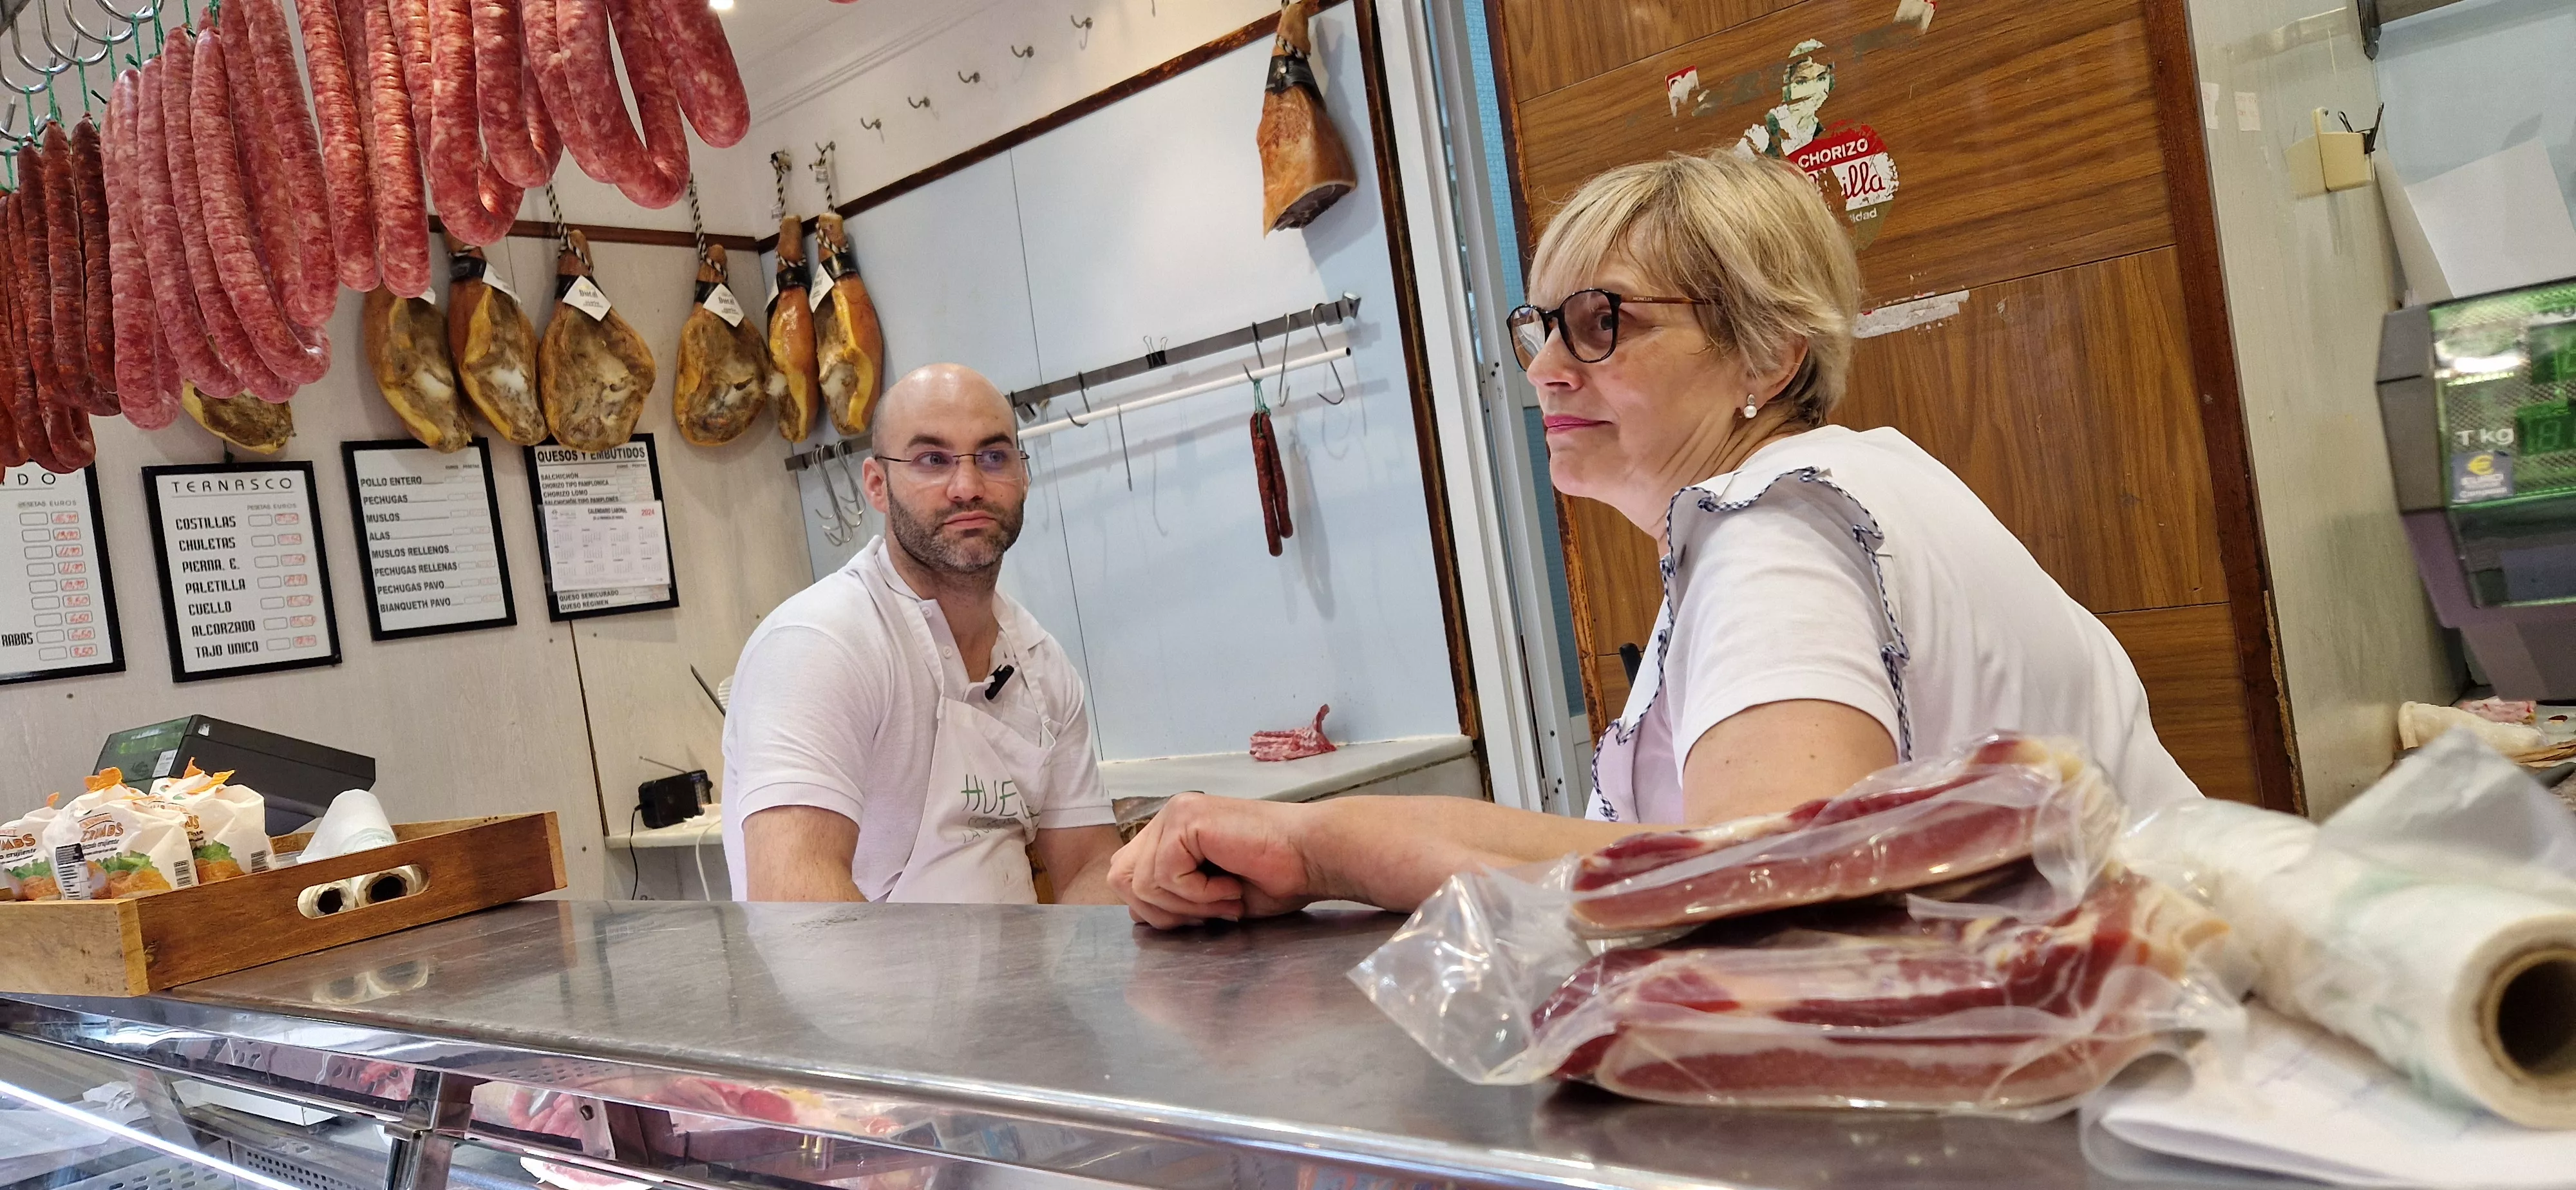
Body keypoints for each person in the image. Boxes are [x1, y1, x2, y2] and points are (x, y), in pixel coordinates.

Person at [1110, 150, 2199, 928]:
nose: (1543, 371)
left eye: (1603, 322)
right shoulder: (1858, 478)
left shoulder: (1773, 530)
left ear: (1768, 353)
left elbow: (1763, 877)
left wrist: (1322, 845)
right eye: (1539, 327)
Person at [721, 364, 1122, 903]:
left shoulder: (1039, 662)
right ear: (877, 485)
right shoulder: (819, 643)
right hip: (856, 988)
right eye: (932, 460)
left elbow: (1092, 863)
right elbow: (798, 905)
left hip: (1019, 983)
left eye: (993, 457)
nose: (968, 487)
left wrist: (1051, 983)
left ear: (1023, 477)